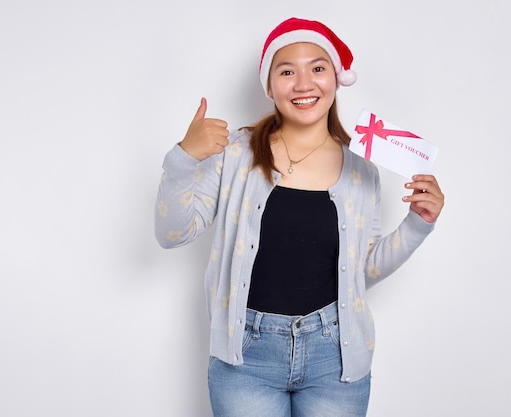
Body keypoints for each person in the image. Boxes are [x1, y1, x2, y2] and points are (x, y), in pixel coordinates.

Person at [155, 17, 444, 417]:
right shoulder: (235, 154)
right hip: (245, 358)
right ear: (270, 85)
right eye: (287, 70)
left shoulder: (362, 171)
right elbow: (172, 233)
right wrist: (184, 157)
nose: (304, 83)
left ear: (337, 79)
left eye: (318, 68)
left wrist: (418, 224)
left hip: (336, 358)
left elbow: (361, 271)